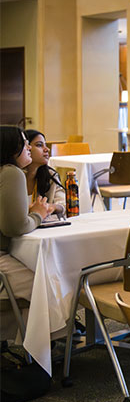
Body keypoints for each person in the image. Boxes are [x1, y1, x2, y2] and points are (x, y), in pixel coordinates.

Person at [1, 126, 54, 304]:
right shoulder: (11, 173)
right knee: (46, 285)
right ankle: (58, 332)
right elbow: (15, 228)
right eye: (24, 144)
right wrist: (38, 215)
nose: (29, 148)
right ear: (11, 149)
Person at [23, 130, 66, 218]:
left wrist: (52, 207)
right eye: (39, 145)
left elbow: (63, 203)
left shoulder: (50, 174)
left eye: (45, 145)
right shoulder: (11, 176)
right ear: (25, 148)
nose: (47, 149)